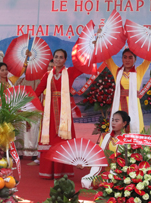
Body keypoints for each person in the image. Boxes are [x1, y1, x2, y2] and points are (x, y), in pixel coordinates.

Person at [34, 49, 83, 179]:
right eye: (56, 57)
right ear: (53, 58)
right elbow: (37, 92)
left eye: (61, 57)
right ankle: (48, 171)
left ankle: (62, 171)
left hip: (64, 113)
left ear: (65, 59)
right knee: (50, 138)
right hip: (49, 113)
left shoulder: (70, 72)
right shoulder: (47, 75)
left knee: (62, 138)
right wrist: (26, 104)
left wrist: (90, 49)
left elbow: (83, 66)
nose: (58, 59)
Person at [81, 110, 130, 188]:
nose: (113, 123)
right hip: (106, 170)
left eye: (117, 121)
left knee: (116, 180)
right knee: (86, 180)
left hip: (120, 170)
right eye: (112, 120)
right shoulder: (105, 136)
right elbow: (98, 155)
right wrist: (85, 163)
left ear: (124, 123)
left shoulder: (128, 139)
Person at [105, 48, 150, 133]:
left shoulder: (139, 71)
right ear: (122, 59)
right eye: (125, 57)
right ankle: (117, 145)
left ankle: (135, 146)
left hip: (134, 106)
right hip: (119, 105)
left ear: (135, 59)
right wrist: (100, 42)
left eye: (130, 57)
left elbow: (149, 58)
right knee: (119, 126)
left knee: (135, 126)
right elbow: (107, 58)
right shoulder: (117, 71)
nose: (127, 60)